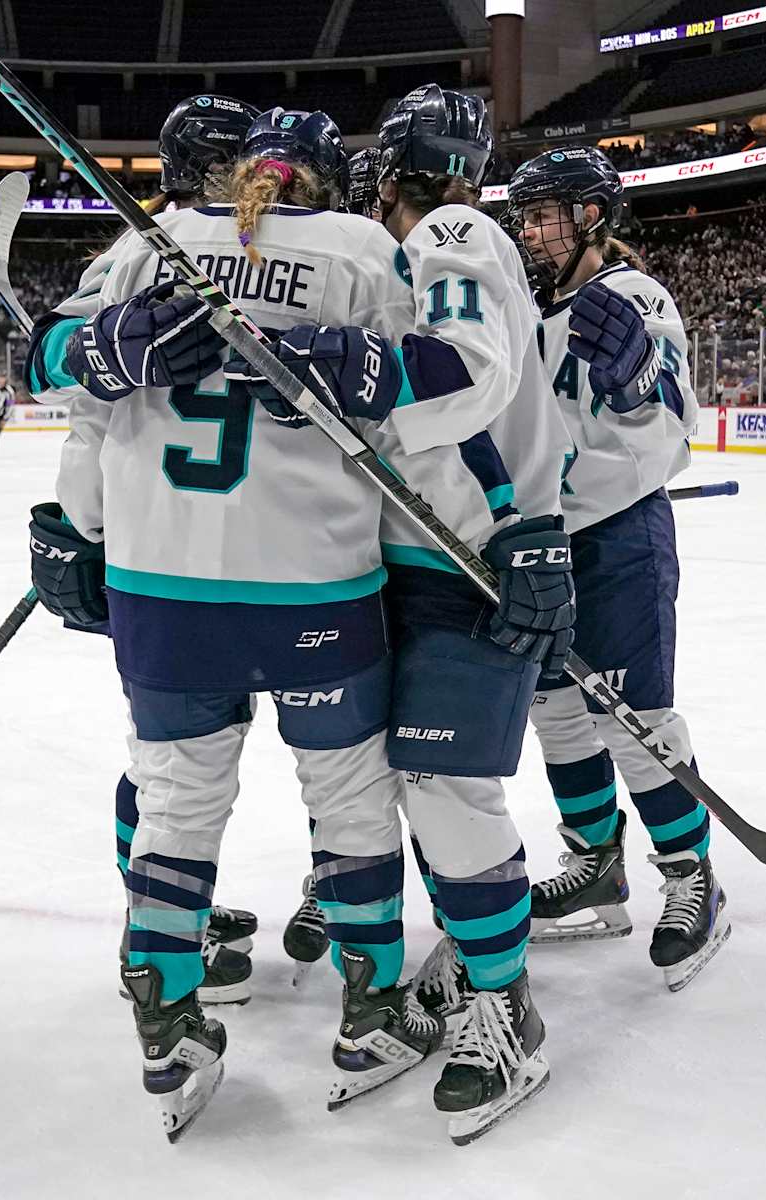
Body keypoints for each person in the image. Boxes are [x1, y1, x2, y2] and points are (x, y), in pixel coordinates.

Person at [250, 85, 572, 1143]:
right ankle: (468, 956)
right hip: (408, 556)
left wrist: (338, 366)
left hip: (468, 556)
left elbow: (467, 379)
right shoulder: (398, 263)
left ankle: (506, 1005)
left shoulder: (452, 228)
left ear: (391, 172)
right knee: (394, 778)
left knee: (442, 781)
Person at [25, 93, 265, 1012]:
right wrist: (89, 348)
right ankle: (172, 923)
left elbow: (46, 366)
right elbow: (47, 358)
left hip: (161, 553)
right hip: (265, 554)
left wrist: (82, 525)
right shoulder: (295, 246)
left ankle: (159, 920)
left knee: (168, 761)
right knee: (296, 755)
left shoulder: (142, 250)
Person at [505, 145, 728, 993]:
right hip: (542, 540)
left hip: (619, 534)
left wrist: (638, 374)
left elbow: (674, 412)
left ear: (593, 214)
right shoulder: (522, 308)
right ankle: (596, 862)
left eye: (546, 213)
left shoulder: (636, 295)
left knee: (635, 719)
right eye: (523, 215)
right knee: (556, 715)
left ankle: (691, 877)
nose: (530, 230)